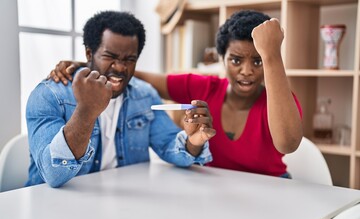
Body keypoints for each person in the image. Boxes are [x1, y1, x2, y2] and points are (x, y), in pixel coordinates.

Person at [48, 10, 303, 178]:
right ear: (221, 58)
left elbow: (287, 143)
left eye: (257, 62)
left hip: (272, 192)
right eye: (236, 60)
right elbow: (135, 74)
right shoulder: (204, 87)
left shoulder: (279, 102)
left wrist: (271, 55)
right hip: (215, 193)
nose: (246, 71)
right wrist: (91, 66)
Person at [26, 10, 216, 188]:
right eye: (110, 56)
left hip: (122, 205)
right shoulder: (49, 96)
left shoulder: (144, 94)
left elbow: (168, 146)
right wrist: (86, 111)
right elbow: (52, 175)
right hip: (53, 209)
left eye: (129, 59)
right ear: (89, 53)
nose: (120, 68)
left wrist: (193, 140)